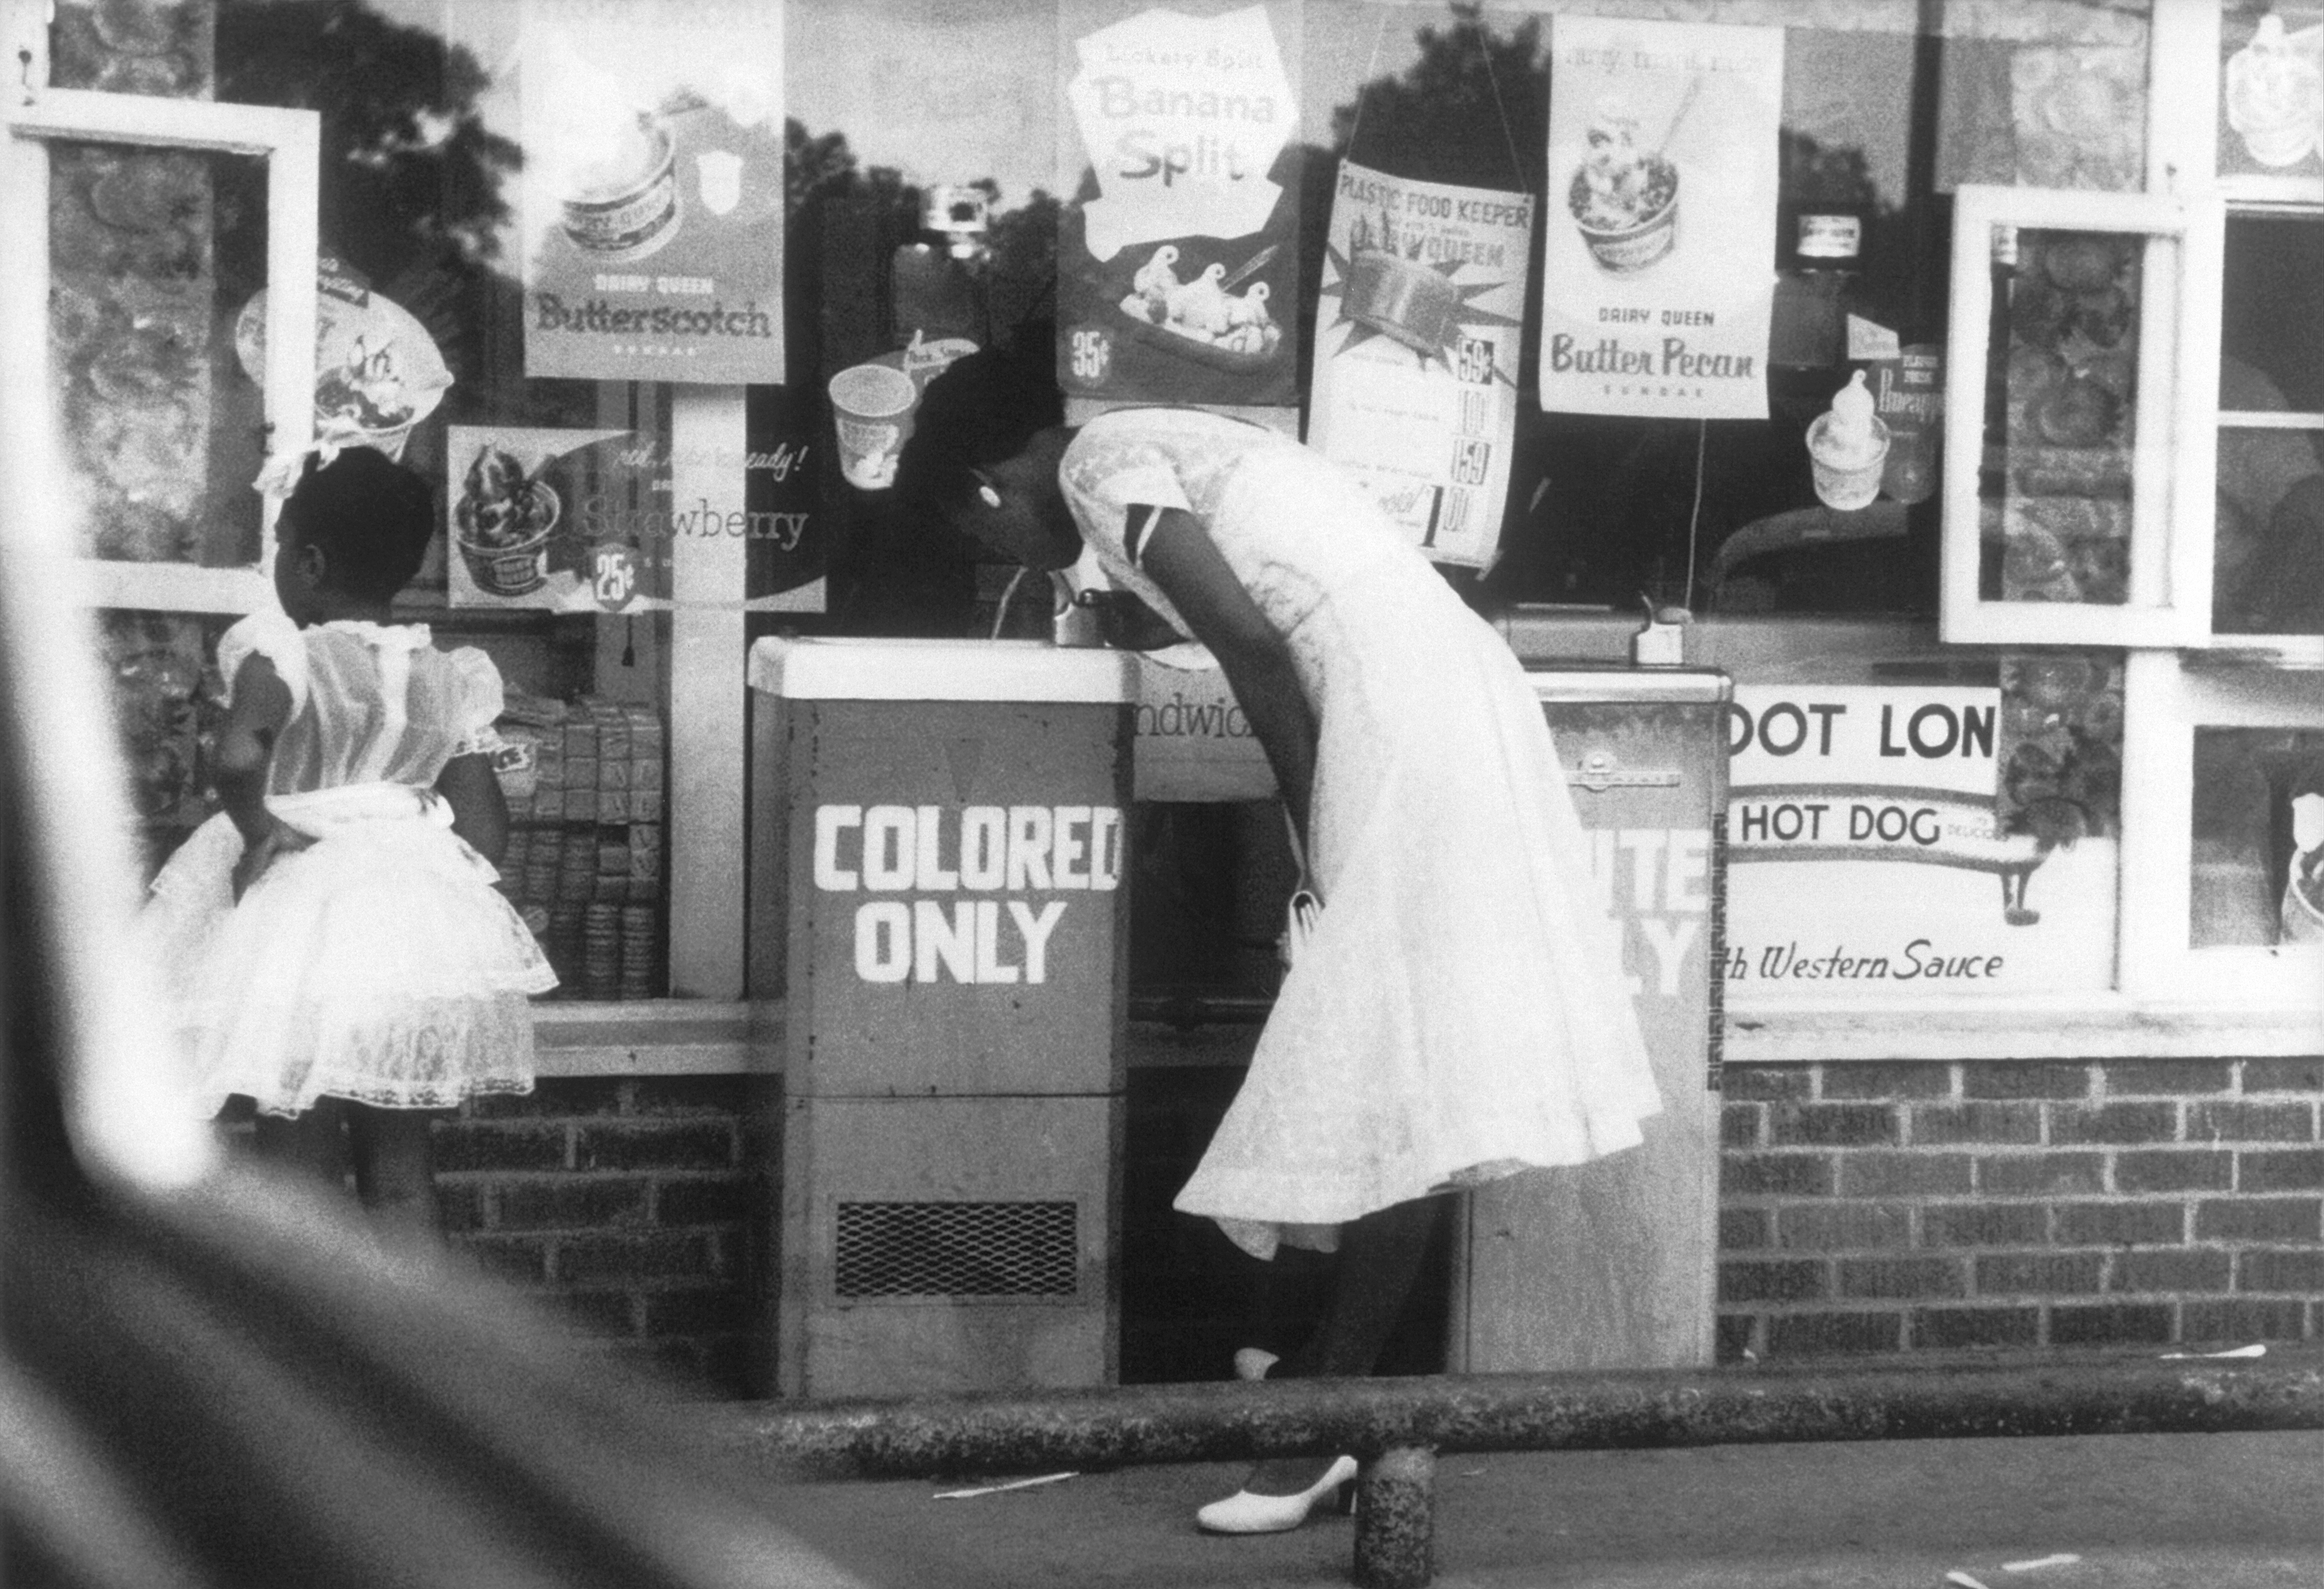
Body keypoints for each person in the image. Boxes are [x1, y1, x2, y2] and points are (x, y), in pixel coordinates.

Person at [897, 345, 1662, 1535]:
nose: (997, 554)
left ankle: (1322, 1421)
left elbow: (1254, 650)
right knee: (1385, 1047)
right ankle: (1297, 1358)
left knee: (1390, 1060)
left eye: (977, 533)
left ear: (987, 485)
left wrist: (1313, 840)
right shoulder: (1155, 440)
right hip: (1434, 688)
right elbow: (1258, 596)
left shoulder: (1101, 462)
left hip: (1395, 712)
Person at [139, 447, 557, 1238]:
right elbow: (486, 829)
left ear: (311, 562)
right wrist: (415, 868)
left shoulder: (284, 653)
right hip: (401, 941)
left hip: (291, 932)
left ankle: (309, 1348)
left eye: (279, 553)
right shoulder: (446, 675)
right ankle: (411, 1341)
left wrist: (265, 831)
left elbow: (236, 758)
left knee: (298, 1159)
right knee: (400, 1172)